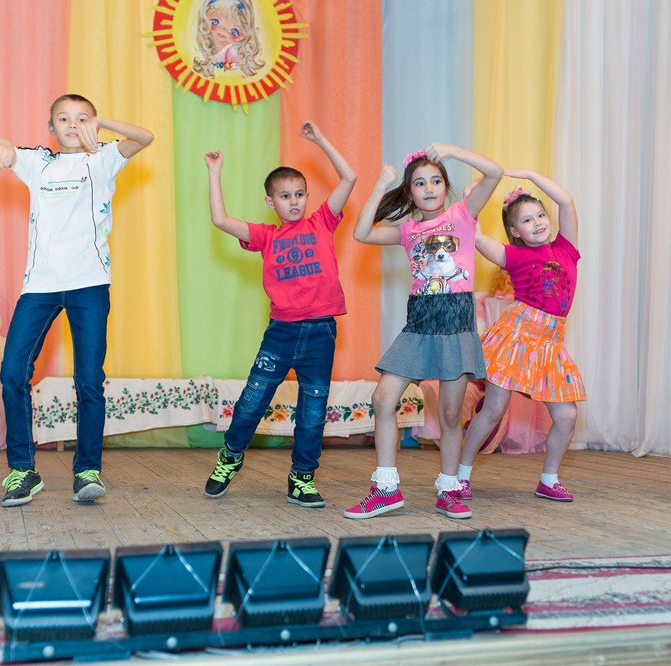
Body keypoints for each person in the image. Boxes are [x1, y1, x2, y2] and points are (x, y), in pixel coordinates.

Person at [0, 94, 154, 507]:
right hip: (40, 286)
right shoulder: (38, 162)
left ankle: (87, 472)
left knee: (89, 380)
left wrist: (104, 124)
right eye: (64, 119)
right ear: (51, 128)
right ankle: (23, 470)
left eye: (82, 118)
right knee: (13, 372)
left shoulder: (104, 159)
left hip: (90, 284)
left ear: (94, 123)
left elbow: (145, 137)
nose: (73, 124)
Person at [202, 121, 356, 508]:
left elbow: (349, 178)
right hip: (281, 333)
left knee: (313, 410)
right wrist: (215, 172)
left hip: (320, 333)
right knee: (252, 402)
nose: (294, 201)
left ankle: (302, 478)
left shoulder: (322, 222)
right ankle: (230, 457)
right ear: (271, 202)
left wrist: (321, 140)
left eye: (300, 194)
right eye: (285, 196)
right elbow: (221, 220)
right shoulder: (266, 236)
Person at [345, 144, 502, 520]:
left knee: (449, 414)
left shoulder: (463, 214)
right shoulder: (408, 229)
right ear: (410, 191)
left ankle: (449, 490)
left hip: (455, 322)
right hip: (418, 323)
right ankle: (386, 489)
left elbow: (494, 172)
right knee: (383, 398)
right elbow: (362, 232)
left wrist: (452, 151)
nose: (428, 188)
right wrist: (380, 184)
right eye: (419, 183)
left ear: (446, 187)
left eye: (435, 181)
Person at [456, 169, 586, 502]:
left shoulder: (566, 248)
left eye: (541, 215)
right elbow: (475, 236)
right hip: (516, 336)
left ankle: (549, 480)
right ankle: (460, 475)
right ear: (515, 231)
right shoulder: (514, 256)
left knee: (567, 414)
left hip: (550, 342)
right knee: (494, 409)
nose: (538, 222)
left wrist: (529, 174)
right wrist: (473, 195)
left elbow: (566, 201)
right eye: (527, 220)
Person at [192, 0, 264, 78]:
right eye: (215, 21)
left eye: (233, 30)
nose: (223, 30)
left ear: (243, 34)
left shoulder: (234, 53)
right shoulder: (205, 44)